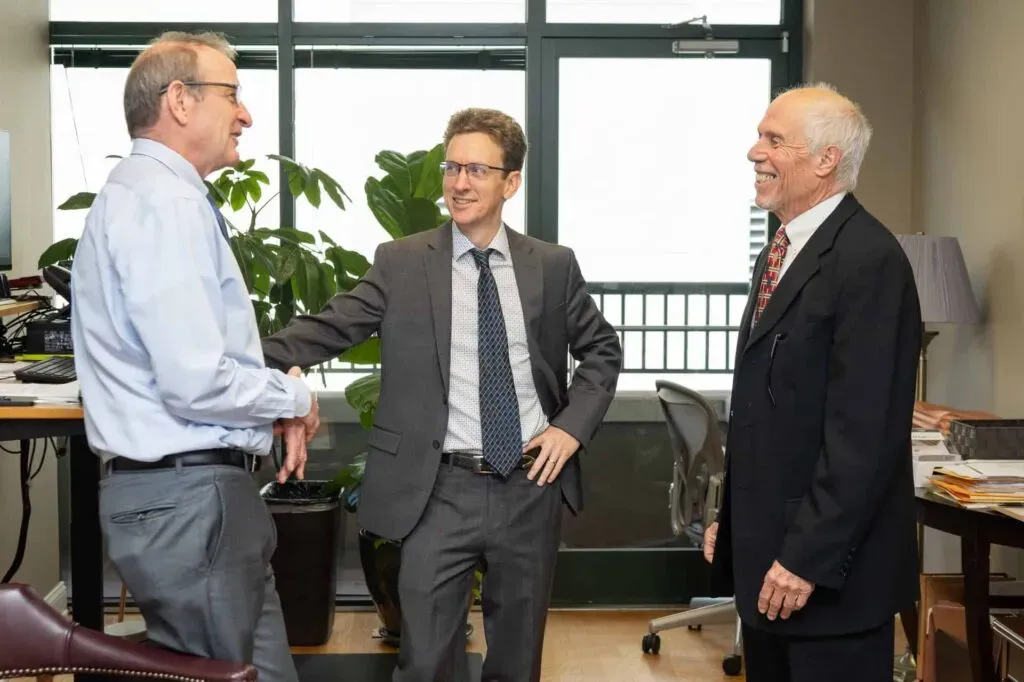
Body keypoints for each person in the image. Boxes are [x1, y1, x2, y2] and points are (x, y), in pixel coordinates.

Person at [261, 107, 623, 681]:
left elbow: (601, 349)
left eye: (477, 170)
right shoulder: (401, 263)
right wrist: (245, 359)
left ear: (511, 182)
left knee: (517, 660)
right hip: (435, 490)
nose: (458, 183)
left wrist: (570, 427)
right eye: (453, 167)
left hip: (530, 486)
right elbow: (331, 326)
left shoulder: (552, 266)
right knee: (426, 660)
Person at [69, 31, 318, 682]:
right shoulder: (163, 201)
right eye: (232, 95)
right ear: (180, 100)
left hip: (199, 501)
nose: (246, 114)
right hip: (189, 501)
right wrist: (295, 398)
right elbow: (194, 378)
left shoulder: (150, 196)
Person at [702, 83, 922, 682]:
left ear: (825, 160)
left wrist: (805, 559)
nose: (754, 151)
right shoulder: (780, 249)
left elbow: (864, 438)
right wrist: (736, 519)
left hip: (826, 583)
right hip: (770, 566)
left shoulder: (869, 261)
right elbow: (768, 411)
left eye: (773, 139)